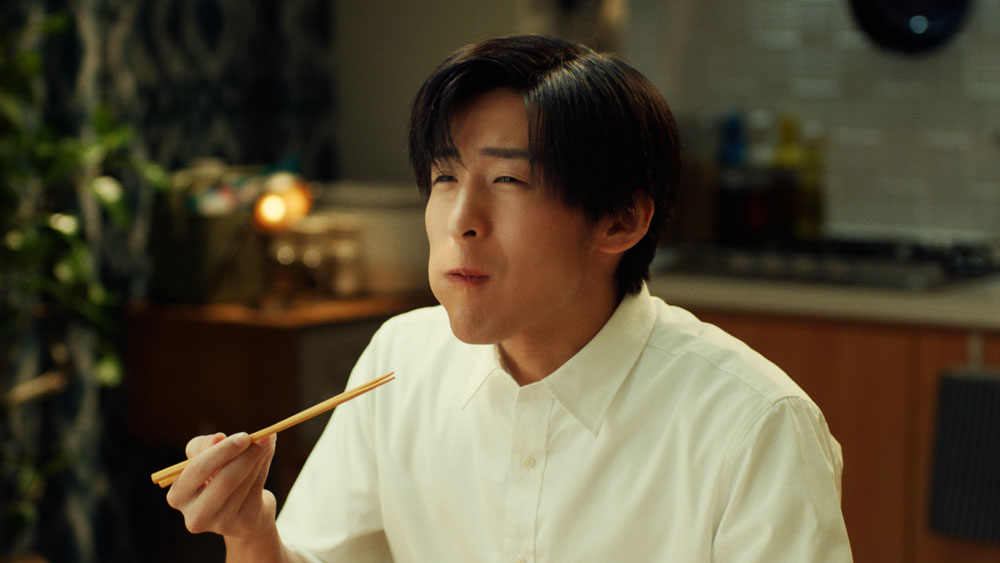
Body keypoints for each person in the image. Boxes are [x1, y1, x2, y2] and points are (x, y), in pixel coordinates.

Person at [165, 34, 852, 562]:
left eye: (509, 182)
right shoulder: (402, 360)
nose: (462, 220)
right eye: (444, 177)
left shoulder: (755, 424)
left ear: (621, 220)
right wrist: (250, 531)